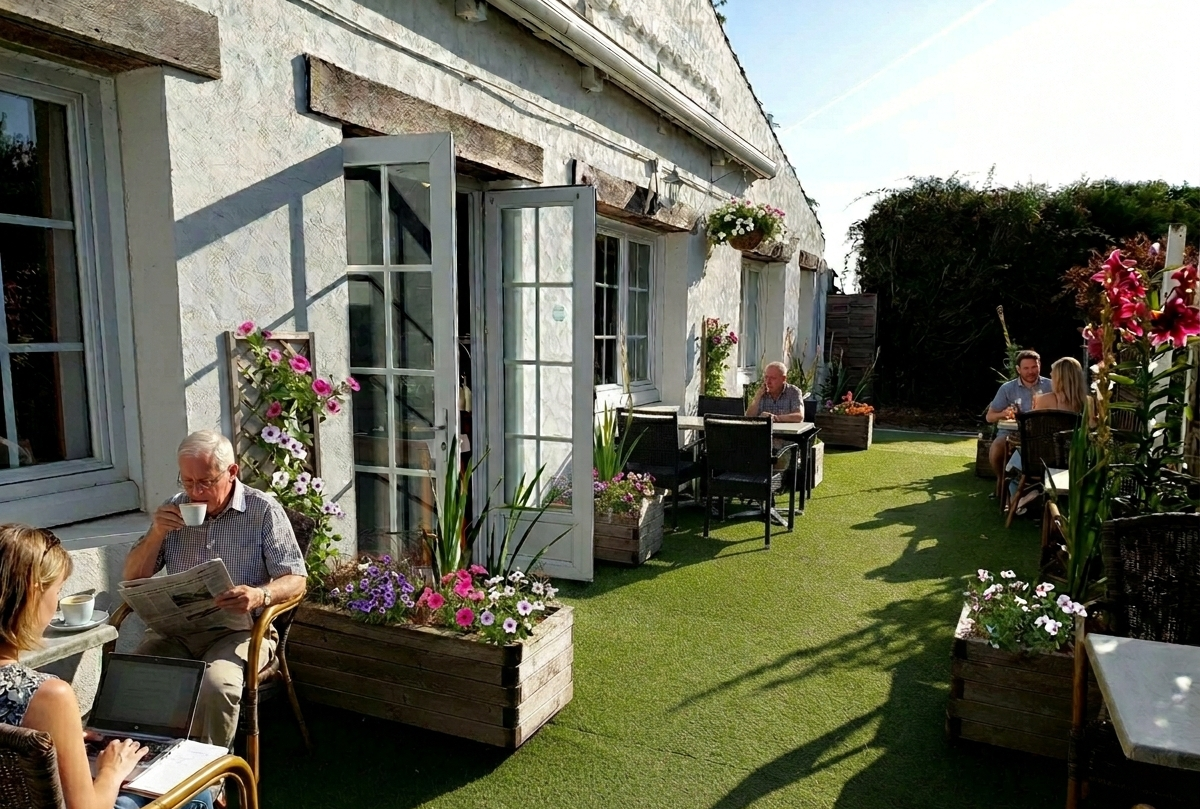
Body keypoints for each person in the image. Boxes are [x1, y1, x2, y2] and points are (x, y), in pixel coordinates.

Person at [0, 524, 212, 809]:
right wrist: (113, 769)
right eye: (58, 591)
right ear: (32, 592)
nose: (57, 606)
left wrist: (66, 735)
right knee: (196, 790)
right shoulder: (47, 695)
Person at [122, 430, 306, 750]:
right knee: (137, 673)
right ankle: (146, 765)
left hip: (242, 631)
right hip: (179, 630)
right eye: (187, 481)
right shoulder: (174, 509)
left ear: (232, 472)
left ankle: (209, 780)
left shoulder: (262, 510)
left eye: (205, 482)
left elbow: (296, 579)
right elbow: (133, 578)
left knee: (217, 684)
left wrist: (259, 595)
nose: (195, 492)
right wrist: (156, 533)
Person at [985, 350, 1052, 484]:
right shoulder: (1007, 388)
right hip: (1012, 433)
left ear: (1040, 366)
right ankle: (1001, 479)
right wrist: (1004, 414)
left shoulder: (1050, 385)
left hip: (1042, 434)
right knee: (997, 445)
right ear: (1018, 369)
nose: (1030, 371)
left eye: (1034, 367)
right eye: (1026, 368)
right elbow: (989, 417)